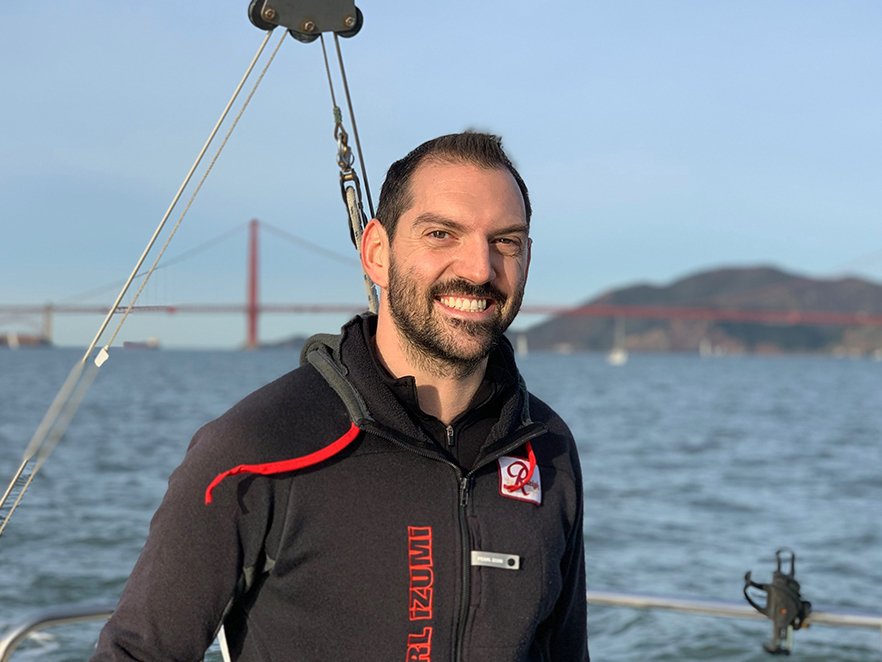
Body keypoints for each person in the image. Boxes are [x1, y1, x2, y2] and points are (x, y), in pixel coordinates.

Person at [92, 131, 589, 661]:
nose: (479, 268)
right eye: (442, 234)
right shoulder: (254, 447)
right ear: (377, 253)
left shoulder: (548, 448)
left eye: (506, 242)